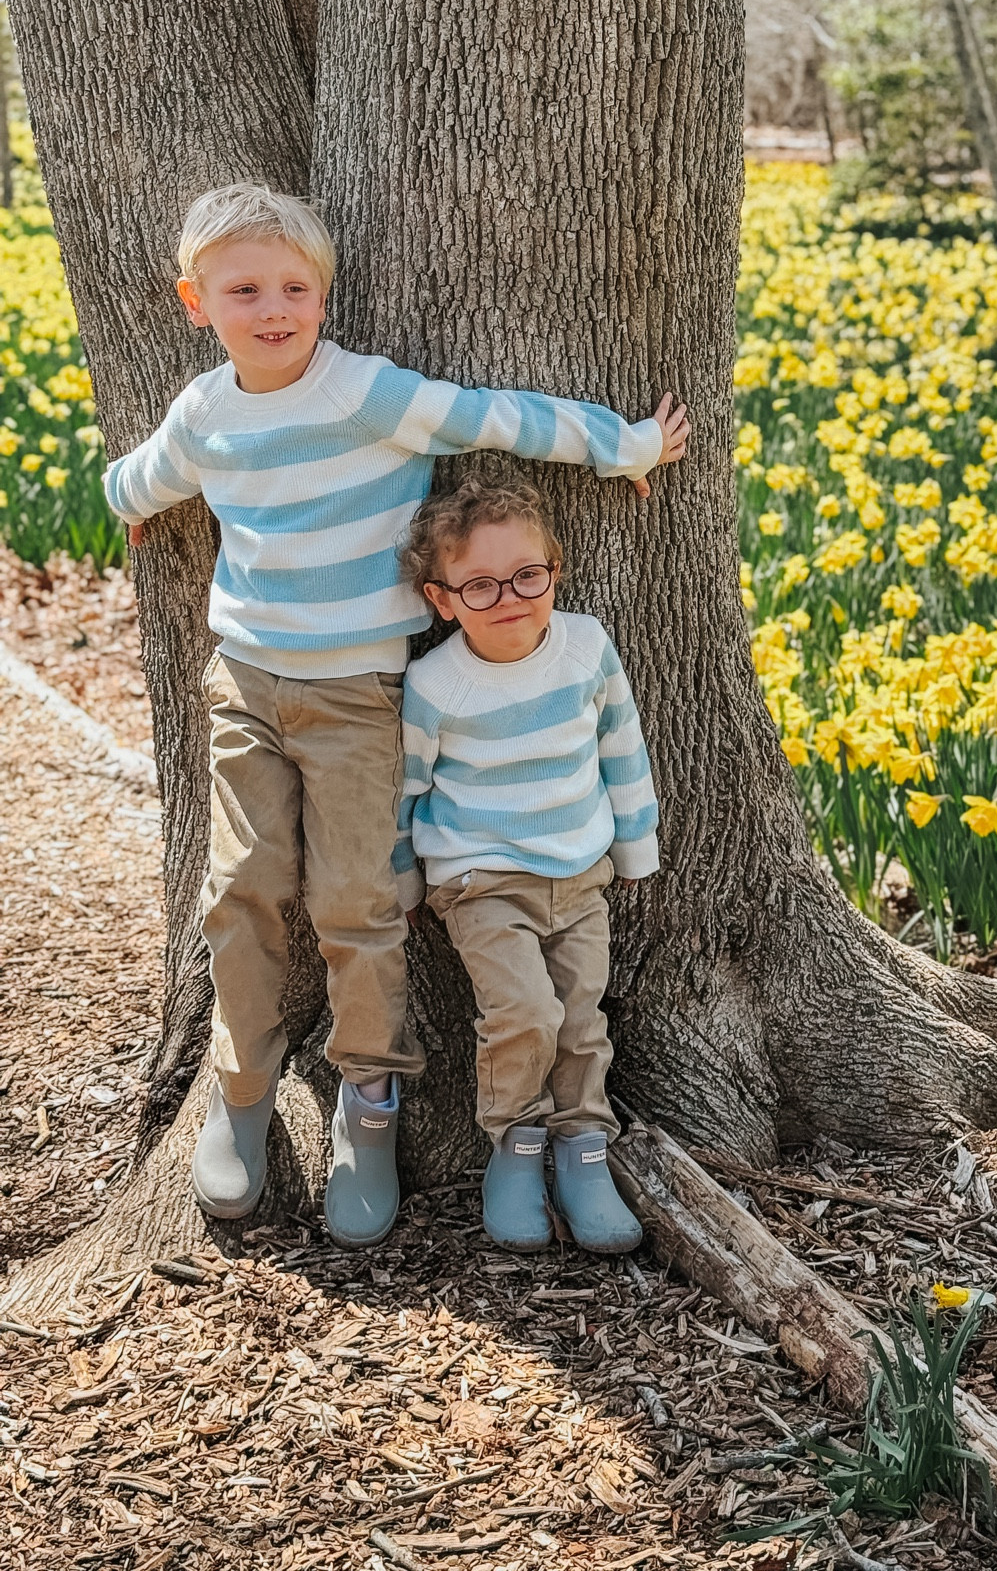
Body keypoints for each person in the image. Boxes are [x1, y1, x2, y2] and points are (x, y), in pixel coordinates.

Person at [103, 180, 687, 1248]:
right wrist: (126, 503)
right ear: (198, 302)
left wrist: (624, 445)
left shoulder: (367, 393)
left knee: (359, 900)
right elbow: (149, 473)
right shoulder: (206, 411)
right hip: (245, 682)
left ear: (324, 293)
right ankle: (241, 1089)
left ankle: (366, 1101)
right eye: (245, 289)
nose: (273, 307)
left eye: (294, 286)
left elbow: (497, 415)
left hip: (360, 695)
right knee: (242, 886)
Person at [397, 474, 655, 1253]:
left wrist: (635, 846)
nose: (510, 597)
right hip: (481, 881)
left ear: (554, 569)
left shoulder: (587, 649)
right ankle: (514, 1145)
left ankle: (584, 1151)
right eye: (480, 586)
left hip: (581, 873)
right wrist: (407, 880)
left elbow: (622, 745)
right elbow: (405, 790)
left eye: (527, 575)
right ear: (441, 600)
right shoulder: (435, 684)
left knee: (581, 1022)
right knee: (526, 1016)